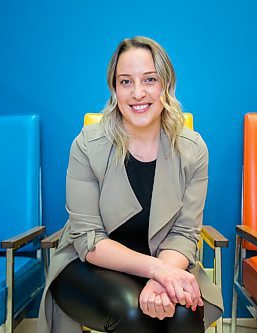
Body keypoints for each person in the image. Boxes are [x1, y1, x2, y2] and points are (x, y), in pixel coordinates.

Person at [38, 36, 223, 333]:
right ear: (114, 89)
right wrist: (158, 272)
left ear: (166, 84)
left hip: (164, 262)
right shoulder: (87, 145)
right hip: (89, 265)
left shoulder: (193, 149)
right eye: (126, 82)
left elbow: (184, 234)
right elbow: (89, 240)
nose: (138, 93)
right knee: (133, 311)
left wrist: (160, 278)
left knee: (185, 314)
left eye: (149, 79)